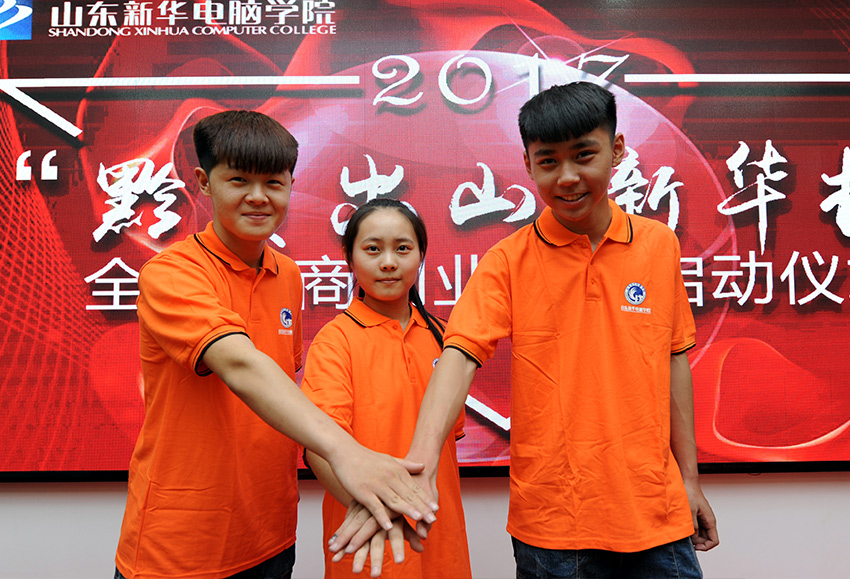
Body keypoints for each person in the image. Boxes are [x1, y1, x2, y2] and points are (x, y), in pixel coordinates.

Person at [334, 81, 720, 577]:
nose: (568, 177)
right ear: (528, 165)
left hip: (658, 516)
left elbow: (673, 359)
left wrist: (690, 479)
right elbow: (459, 355)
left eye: (584, 155)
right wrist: (422, 466)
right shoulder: (509, 260)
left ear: (618, 150)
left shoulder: (658, 245)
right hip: (554, 527)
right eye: (549, 161)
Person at [114, 111, 436, 579]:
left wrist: (370, 500)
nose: (258, 197)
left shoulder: (288, 275)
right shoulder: (172, 273)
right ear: (203, 182)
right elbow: (242, 366)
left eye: (273, 183)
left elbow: (285, 395)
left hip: (271, 536)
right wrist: (348, 453)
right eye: (239, 180)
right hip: (180, 543)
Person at [301, 199, 472, 579]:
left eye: (403, 248)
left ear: (421, 255)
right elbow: (318, 448)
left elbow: (449, 439)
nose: (389, 262)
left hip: (437, 533)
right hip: (369, 534)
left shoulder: (446, 338)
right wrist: (378, 508)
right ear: (349, 257)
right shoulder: (335, 340)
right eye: (373, 249)